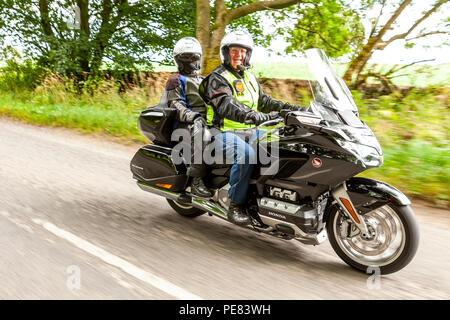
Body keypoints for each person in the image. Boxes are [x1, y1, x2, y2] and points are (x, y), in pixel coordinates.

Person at [199, 30, 306, 226]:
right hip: (222, 132)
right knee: (246, 155)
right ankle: (235, 205)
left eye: (242, 51)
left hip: (251, 132)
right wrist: (253, 116)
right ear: (226, 52)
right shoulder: (218, 77)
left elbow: (266, 102)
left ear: (248, 54)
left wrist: (298, 110)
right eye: (234, 50)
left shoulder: (249, 76)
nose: (238, 55)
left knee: (285, 147)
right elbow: (226, 104)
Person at [163, 37, 213, 198]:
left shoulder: (204, 79)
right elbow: (176, 105)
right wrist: (194, 116)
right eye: (186, 57)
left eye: (194, 57)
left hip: (205, 119)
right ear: (178, 59)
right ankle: (197, 180)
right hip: (186, 123)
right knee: (202, 132)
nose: (191, 61)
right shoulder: (176, 79)